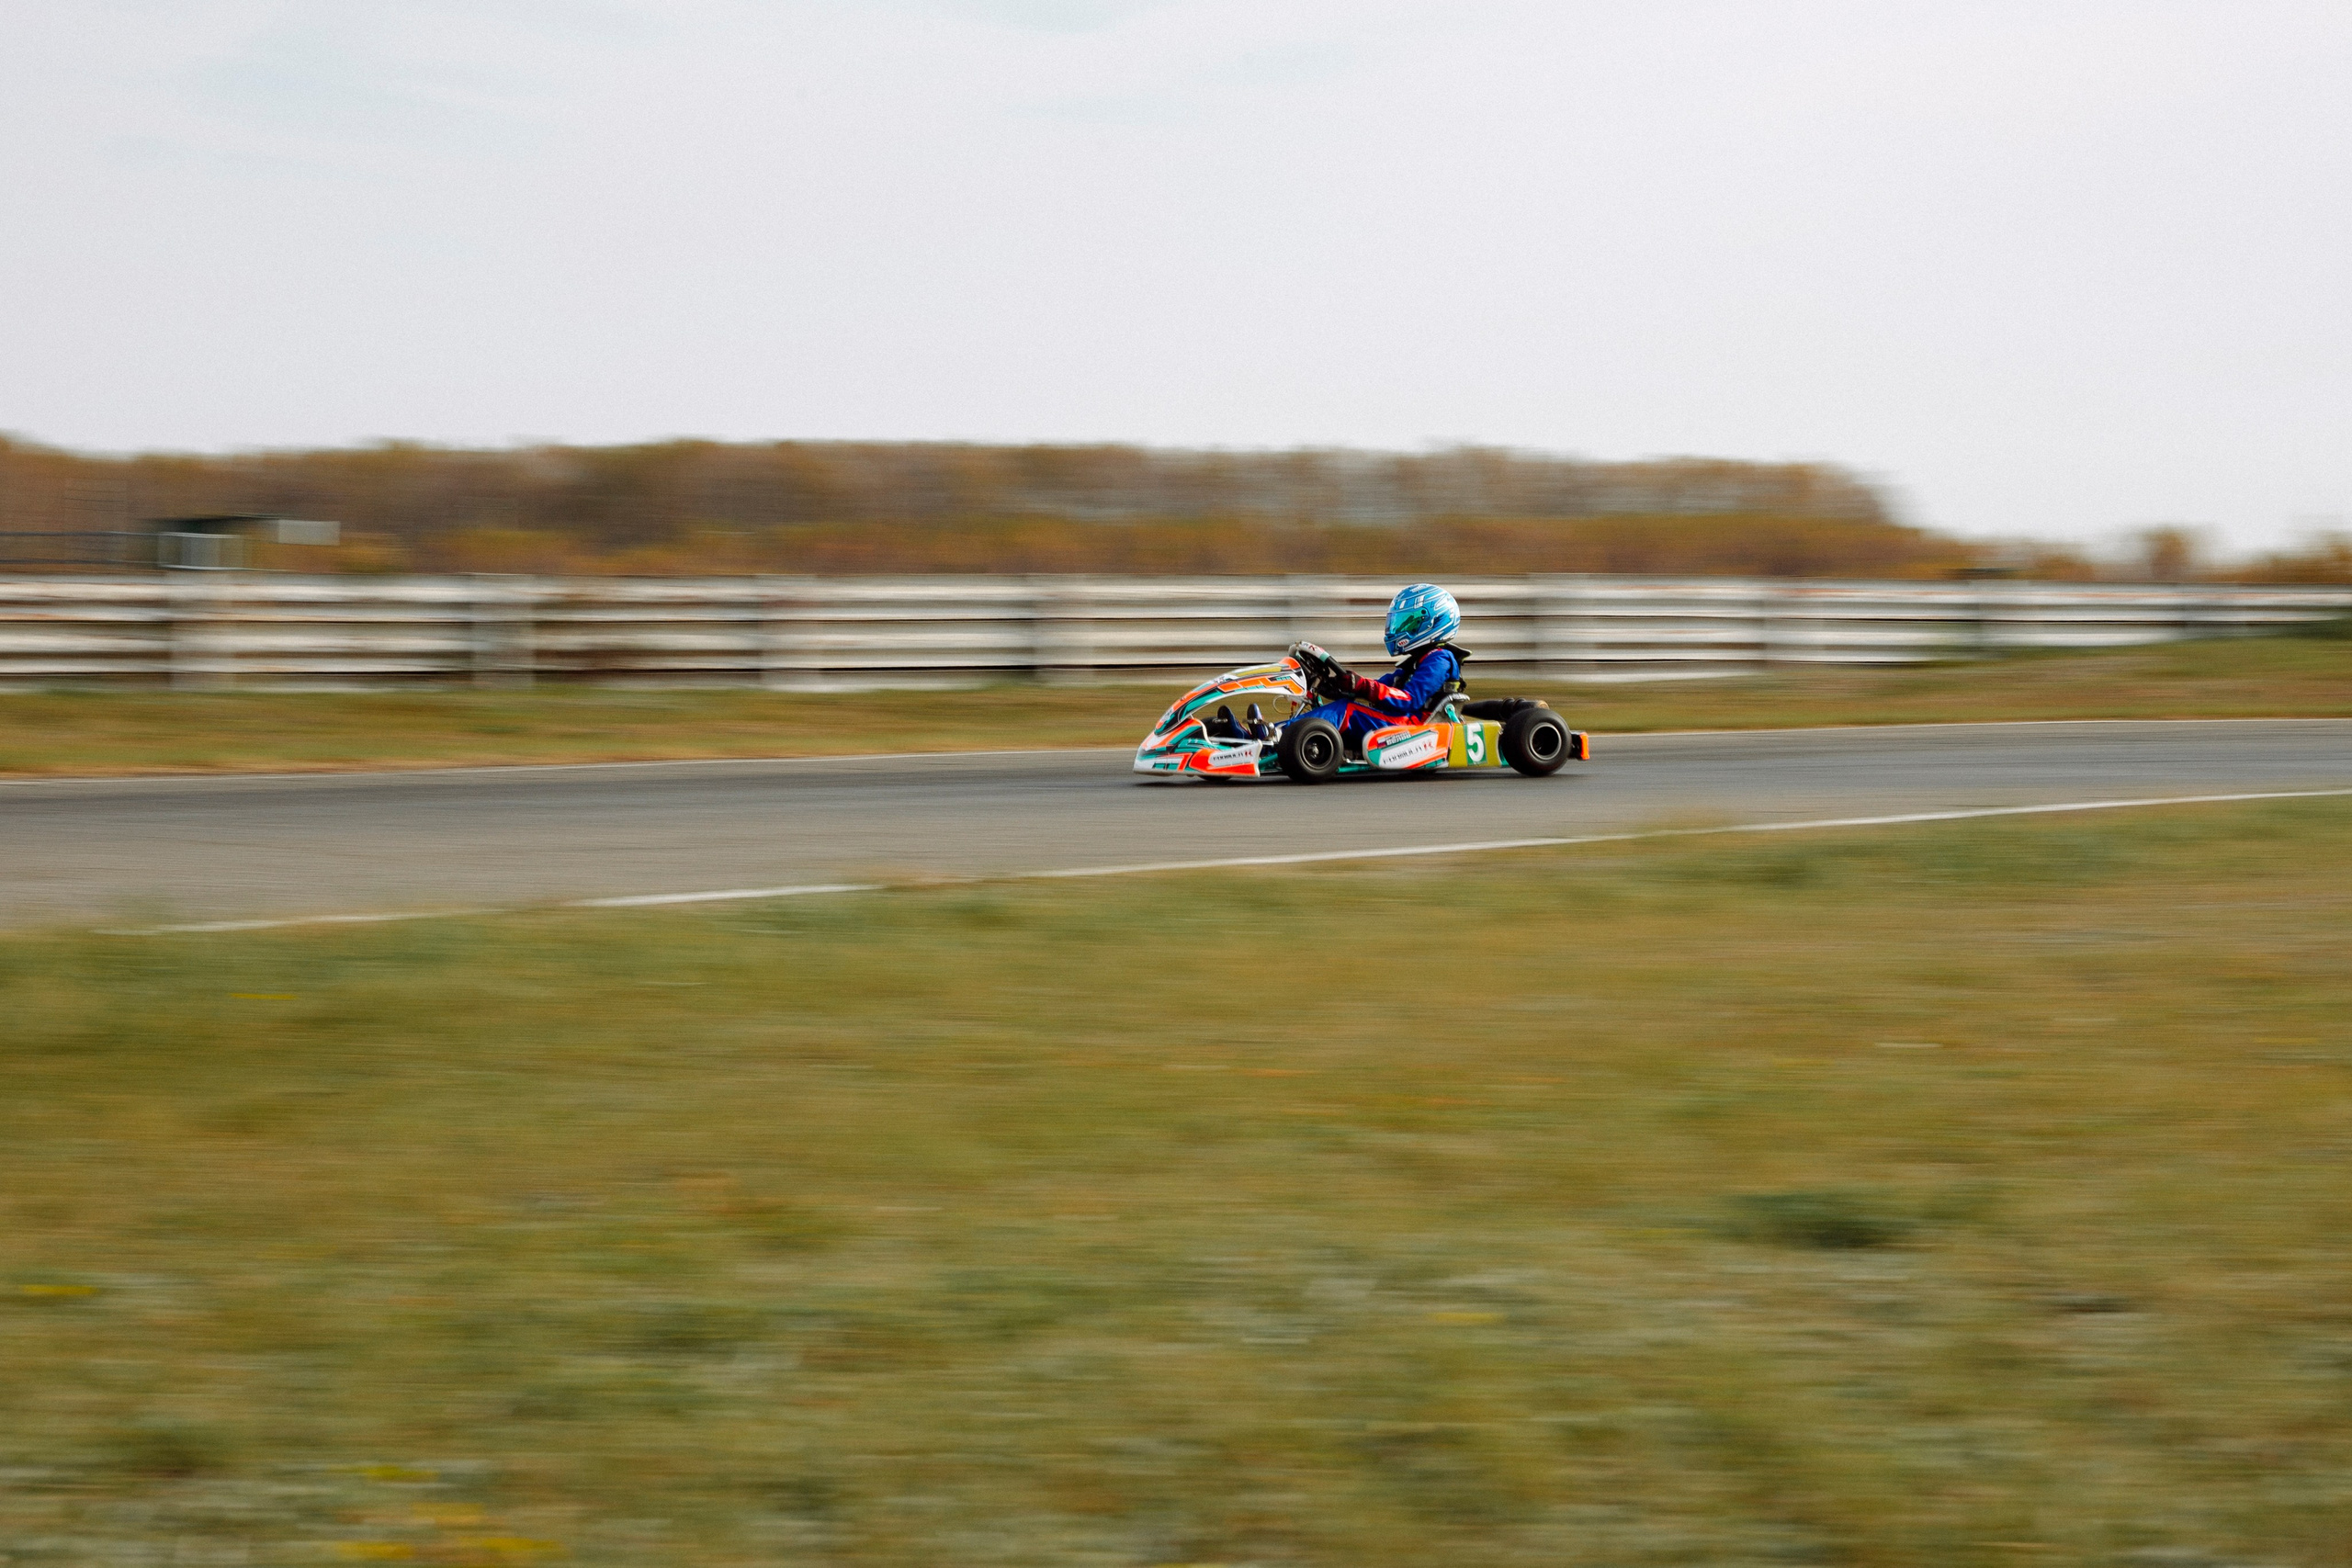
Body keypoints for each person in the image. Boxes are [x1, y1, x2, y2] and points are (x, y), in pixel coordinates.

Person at [1212, 583, 1464, 748]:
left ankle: (1274, 736)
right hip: (1398, 721)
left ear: (1433, 622)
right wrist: (1342, 686)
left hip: (1413, 729)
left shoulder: (1439, 660)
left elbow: (1408, 700)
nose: (1400, 628)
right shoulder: (1413, 664)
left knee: (1347, 711)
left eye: (1409, 622)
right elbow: (1382, 687)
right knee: (1341, 704)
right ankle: (1252, 737)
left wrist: (1364, 687)